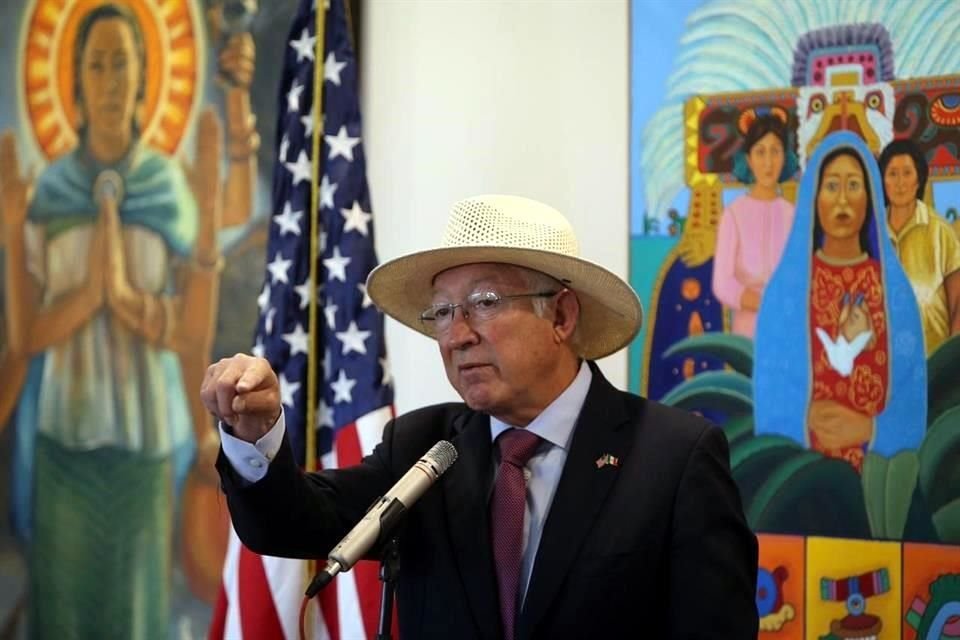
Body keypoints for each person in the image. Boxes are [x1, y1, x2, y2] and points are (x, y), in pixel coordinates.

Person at [203, 195, 759, 639]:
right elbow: (292, 523)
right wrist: (255, 437)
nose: (457, 336)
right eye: (443, 312)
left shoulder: (673, 457)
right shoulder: (423, 446)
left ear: (562, 314)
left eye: (486, 302)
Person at [0, 2, 256, 635]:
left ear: (144, 77)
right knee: (60, 618)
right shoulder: (49, 190)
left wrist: (128, 301)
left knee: (138, 620)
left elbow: (193, 334)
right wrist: (92, 293)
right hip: (63, 445)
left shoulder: (168, 188)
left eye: (123, 64)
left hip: (146, 448)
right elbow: (28, 333)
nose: (110, 80)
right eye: (97, 64)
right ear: (75, 80)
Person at [754, 132, 926, 470]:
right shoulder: (786, 292)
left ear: (871, 197)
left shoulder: (894, 292)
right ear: (814, 199)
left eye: (853, 186)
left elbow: (913, 394)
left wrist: (868, 428)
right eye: (832, 186)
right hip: (804, 477)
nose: (843, 201)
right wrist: (804, 414)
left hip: (878, 482)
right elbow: (770, 386)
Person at [712, 108, 797, 338]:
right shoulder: (733, 215)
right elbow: (722, 282)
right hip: (748, 332)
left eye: (775, 151)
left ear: (785, 156)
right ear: (748, 159)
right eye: (760, 152)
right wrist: (763, 303)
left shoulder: (795, 216)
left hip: (788, 328)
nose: (768, 162)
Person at [879, 138, 960, 354]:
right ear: (882, 181)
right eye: (892, 174)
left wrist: (951, 361)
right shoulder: (872, 235)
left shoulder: (940, 231)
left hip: (932, 363)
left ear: (919, 179)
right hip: (887, 365)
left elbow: (958, 302)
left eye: (907, 173)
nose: (900, 183)